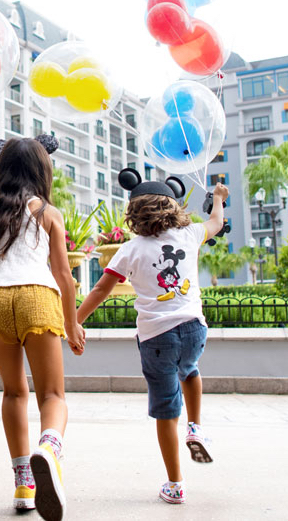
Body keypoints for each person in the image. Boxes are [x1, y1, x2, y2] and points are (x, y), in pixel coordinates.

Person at [75, 169, 227, 505]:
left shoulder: (131, 248)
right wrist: (217, 198)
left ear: (133, 214)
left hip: (156, 337)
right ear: (173, 207)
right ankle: (197, 426)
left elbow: (102, 288)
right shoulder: (189, 235)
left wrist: (76, 320)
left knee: (165, 409)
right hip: (193, 329)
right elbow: (215, 222)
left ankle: (175, 484)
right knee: (190, 370)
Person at [0, 135, 85, 521]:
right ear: (41, 171)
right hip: (37, 299)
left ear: (2, 171)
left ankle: (24, 484)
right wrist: (73, 324)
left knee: (14, 393)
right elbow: (65, 277)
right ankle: (48, 447)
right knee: (52, 395)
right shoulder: (48, 212)